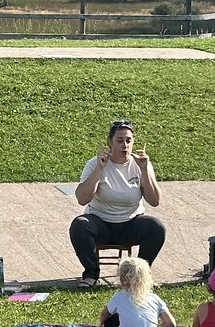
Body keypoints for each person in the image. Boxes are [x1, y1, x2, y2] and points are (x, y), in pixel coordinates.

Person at [70, 120, 165, 287]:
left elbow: (155, 201)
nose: (125, 145)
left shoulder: (140, 164)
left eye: (128, 140)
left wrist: (144, 170)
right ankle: (91, 273)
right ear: (110, 142)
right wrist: (99, 169)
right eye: (119, 140)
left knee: (156, 227)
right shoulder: (94, 163)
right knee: (79, 225)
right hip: (100, 223)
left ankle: (140, 274)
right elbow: (82, 198)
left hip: (131, 223)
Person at [88, 256, 176, 327]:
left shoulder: (119, 297)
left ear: (121, 279)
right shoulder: (154, 298)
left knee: (114, 318)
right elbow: (170, 323)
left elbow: (105, 314)